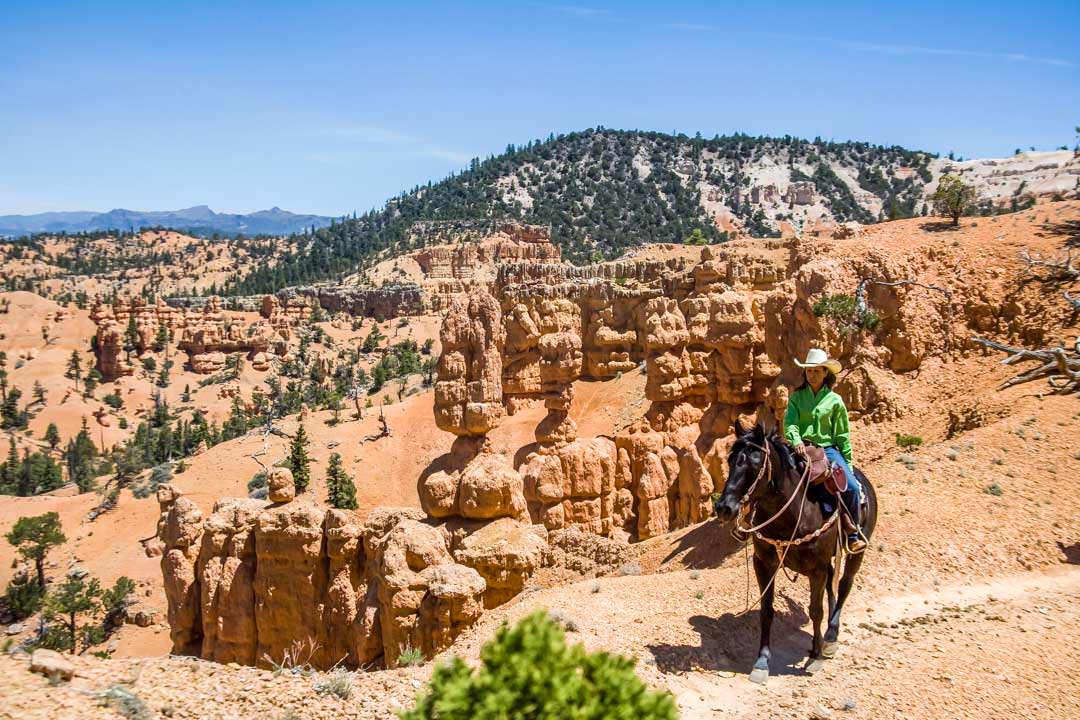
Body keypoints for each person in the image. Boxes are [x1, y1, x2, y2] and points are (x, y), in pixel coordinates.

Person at [783, 348, 866, 553]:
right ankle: (751, 525)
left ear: (825, 373)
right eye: (809, 371)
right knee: (773, 477)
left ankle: (852, 535)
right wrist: (796, 440)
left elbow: (842, 435)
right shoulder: (796, 397)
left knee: (852, 488)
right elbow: (790, 424)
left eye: (817, 371)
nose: (812, 375)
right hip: (801, 448)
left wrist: (847, 462)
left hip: (828, 450)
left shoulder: (835, 401)